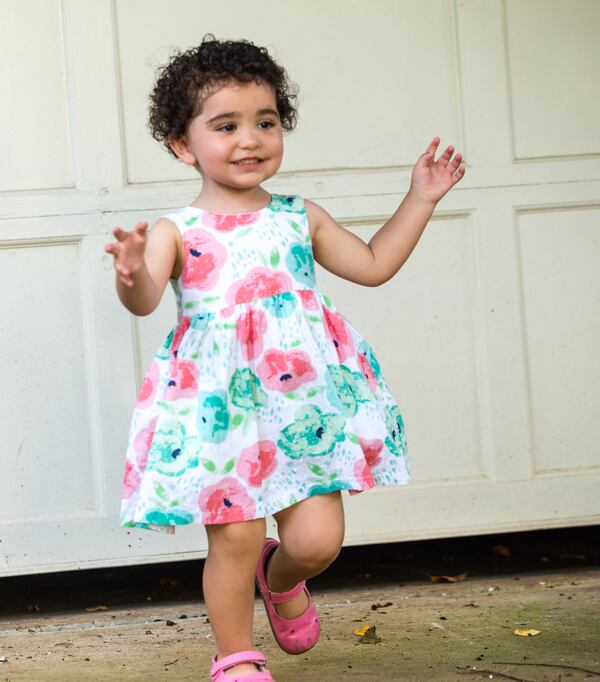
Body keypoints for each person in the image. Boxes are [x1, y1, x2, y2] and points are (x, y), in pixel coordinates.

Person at [105, 35, 465, 682]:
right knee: (235, 536)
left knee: (317, 543)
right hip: (221, 412)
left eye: (265, 122)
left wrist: (420, 199)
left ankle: (283, 579)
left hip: (303, 405)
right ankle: (235, 657)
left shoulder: (301, 217)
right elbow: (144, 299)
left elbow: (375, 266)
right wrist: (131, 272)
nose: (250, 139)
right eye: (226, 126)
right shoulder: (175, 231)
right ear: (182, 146)